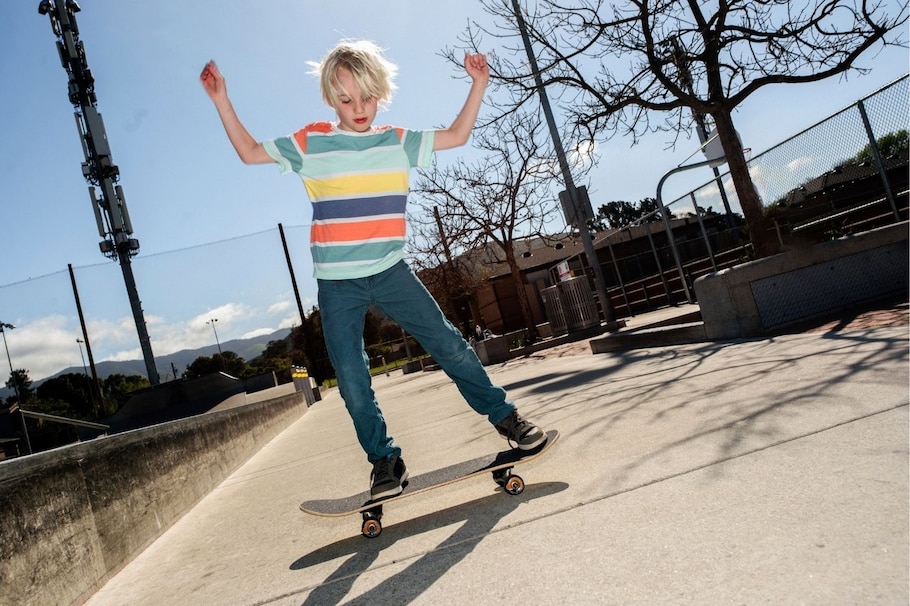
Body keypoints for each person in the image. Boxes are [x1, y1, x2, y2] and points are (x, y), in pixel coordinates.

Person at [200, 40, 546, 500]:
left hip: (390, 270)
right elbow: (248, 152)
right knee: (351, 378)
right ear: (330, 98)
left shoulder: (397, 142)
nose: (358, 108)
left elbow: (456, 135)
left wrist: (478, 83)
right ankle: (385, 461)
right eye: (346, 99)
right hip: (337, 283)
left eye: (366, 97)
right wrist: (222, 99)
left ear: (380, 93)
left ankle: (506, 418)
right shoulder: (312, 143)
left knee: (449, 345)